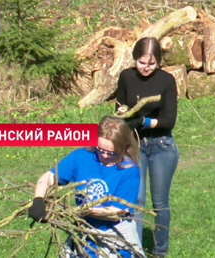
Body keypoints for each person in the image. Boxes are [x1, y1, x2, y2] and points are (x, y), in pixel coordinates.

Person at [29, 116, 144, 258]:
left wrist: (83, 211)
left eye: (111, 152)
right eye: (100, 149)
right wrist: (38, 200)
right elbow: (48, 177)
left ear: (124, 148)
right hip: (84, 233)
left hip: (115, 237)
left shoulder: (129, 170)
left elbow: (118, 211)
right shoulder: (81, 157)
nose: (104, 155)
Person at [116, 37, 178, 258]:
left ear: (158, 62)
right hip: (135, 145)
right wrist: (125, 115)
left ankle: (160, 251)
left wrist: (143, 121)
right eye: (142, 63)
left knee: (159, 202)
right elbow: (120, 104)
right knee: (137, 200)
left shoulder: (167, 81)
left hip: (162, 145)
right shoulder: (126, 77)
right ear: (135, 59)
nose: (146, 68)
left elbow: (169, 120)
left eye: (152, 64)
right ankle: (135, 249)